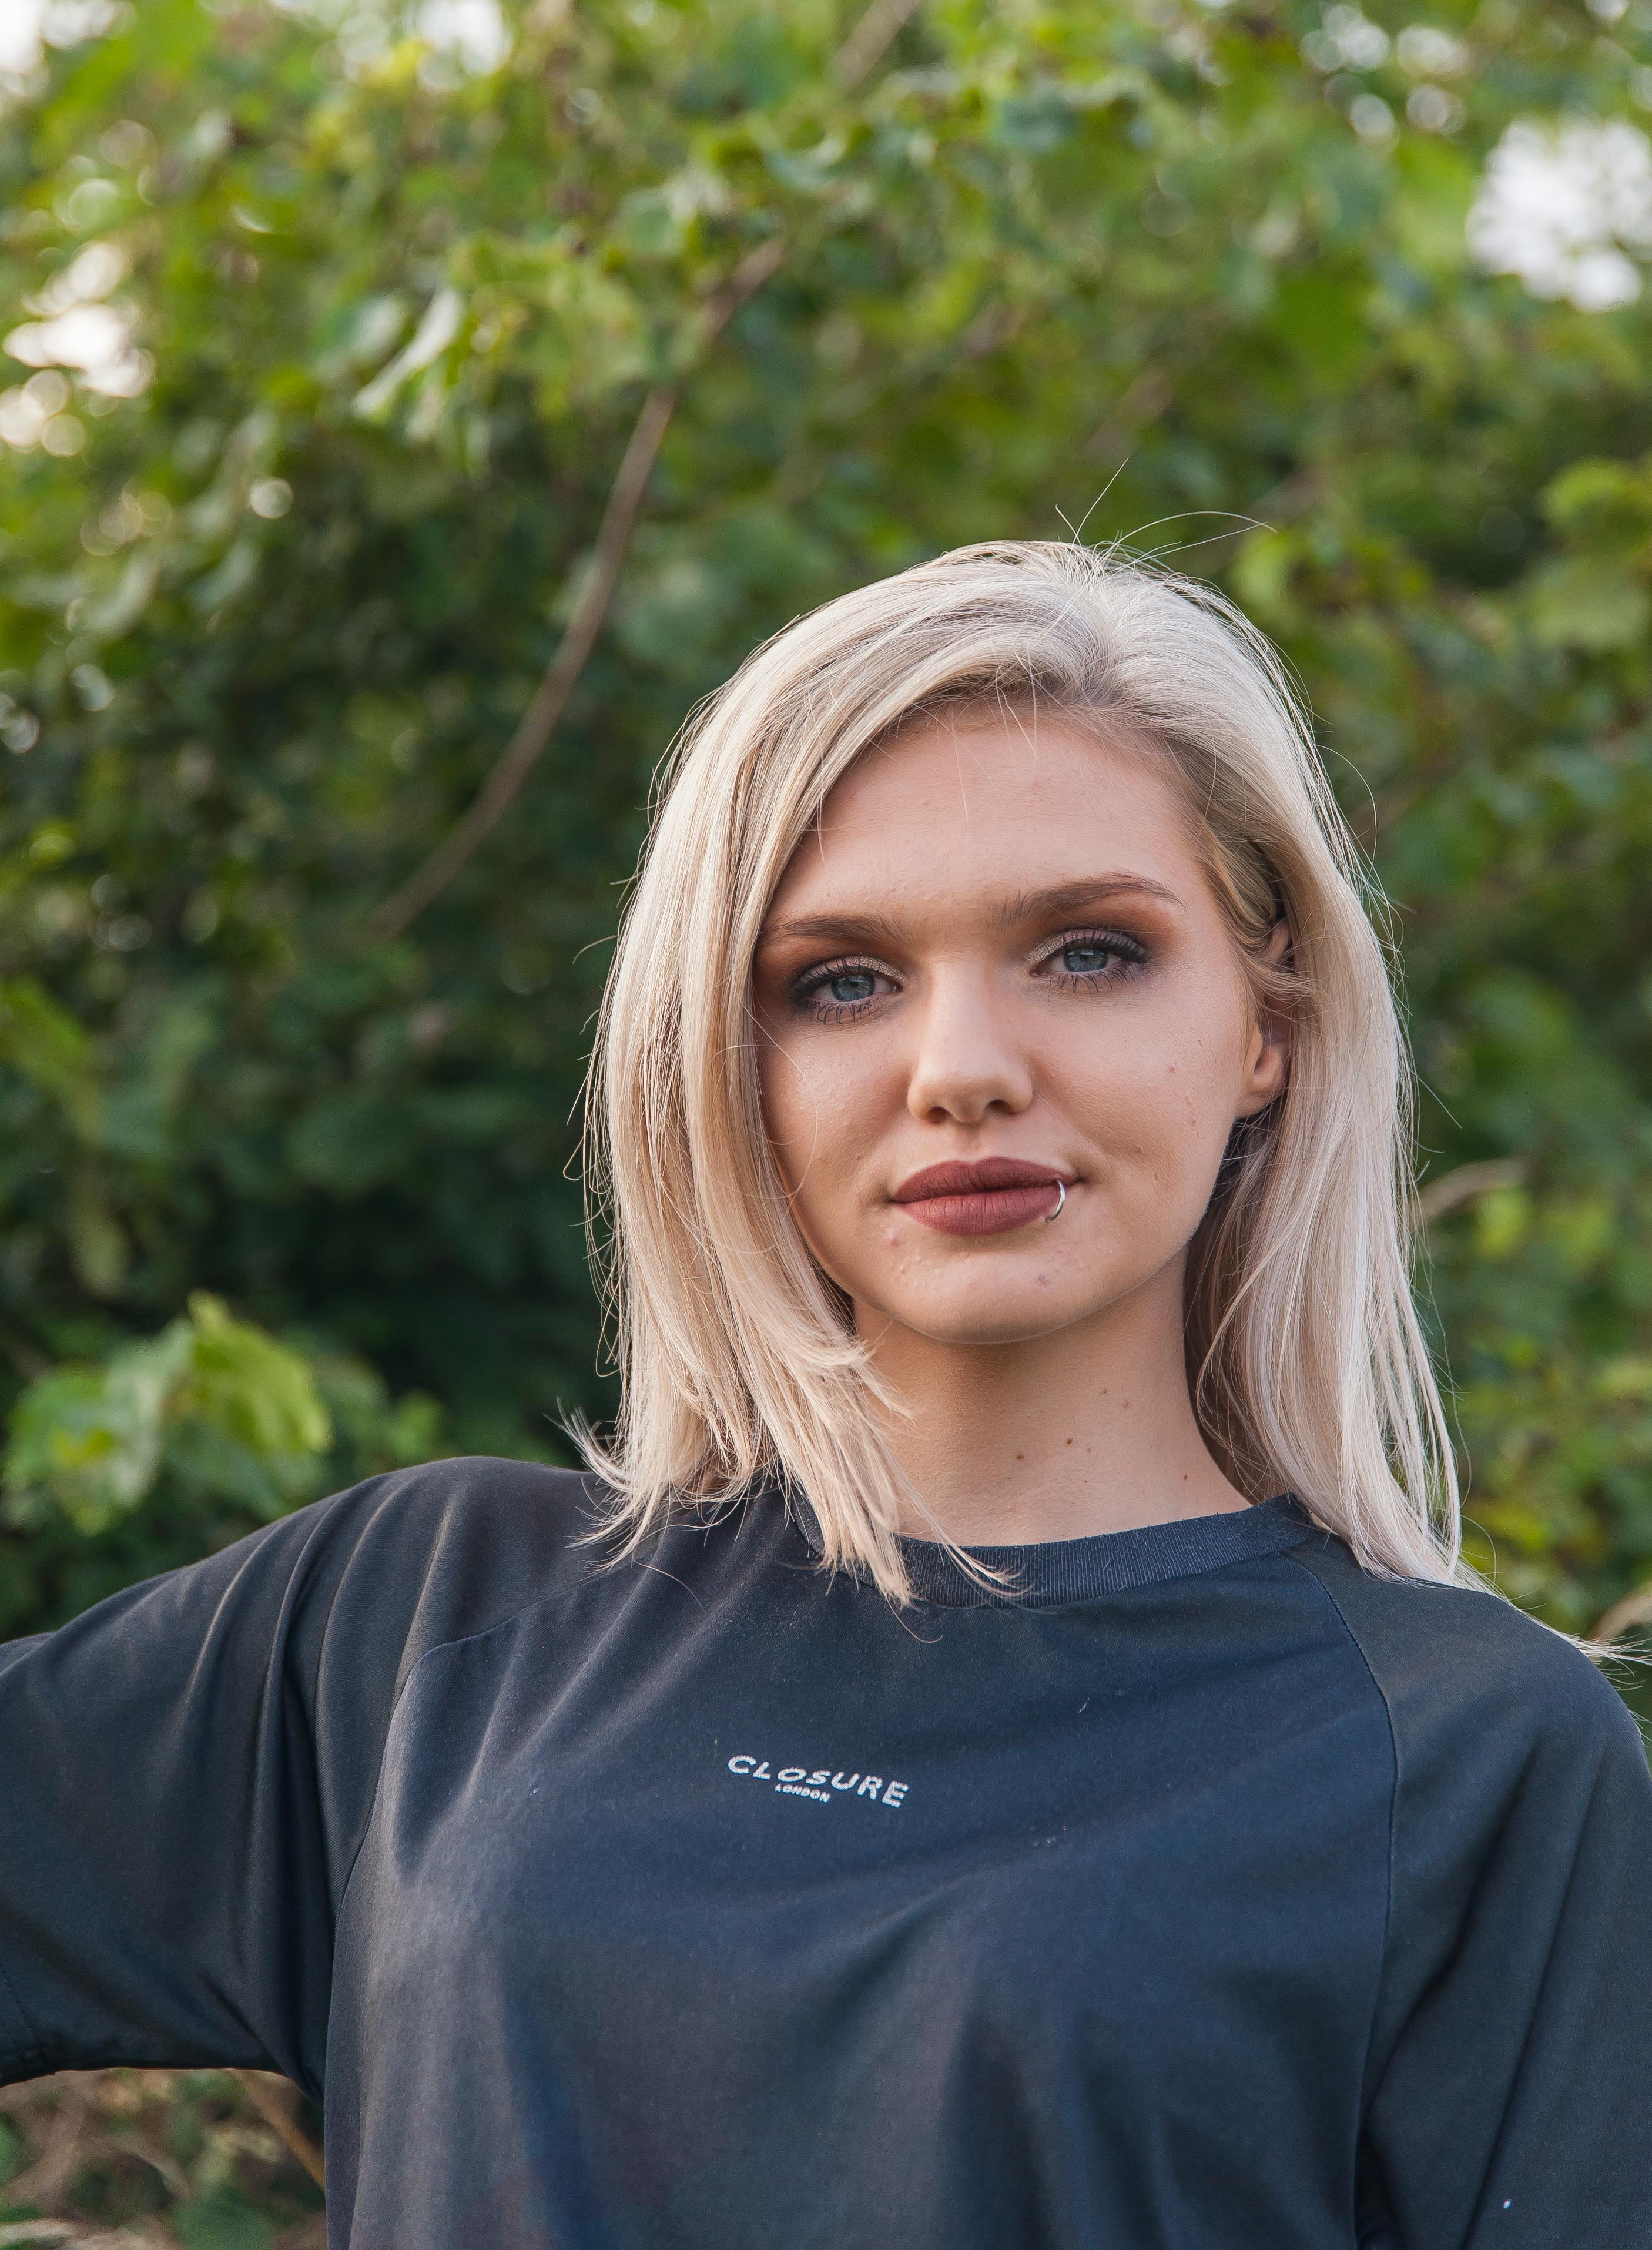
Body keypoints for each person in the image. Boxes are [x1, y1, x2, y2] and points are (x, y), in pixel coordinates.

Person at [1, 541, 1648, 2250]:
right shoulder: (427, 1623)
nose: (962, 1072)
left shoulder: (1465, 1759)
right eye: (841, 980)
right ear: (724, 1057)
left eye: (1086, 951)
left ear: (1266, 1022)